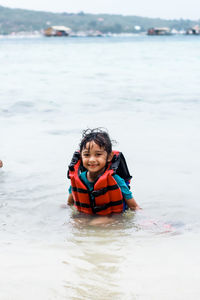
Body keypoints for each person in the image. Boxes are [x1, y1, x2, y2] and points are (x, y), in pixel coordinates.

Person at [67, 128, 140, 221]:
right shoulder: (79, 179)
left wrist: (146, 220)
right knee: (77, 222)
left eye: (98, 154)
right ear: (81, 156)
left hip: (112, 217)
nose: (92, 159)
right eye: (86, 155)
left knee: (96, 222)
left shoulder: (116, 180)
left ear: (109, 157)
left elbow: (134, 207)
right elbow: (69, 203)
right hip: (87, 215)